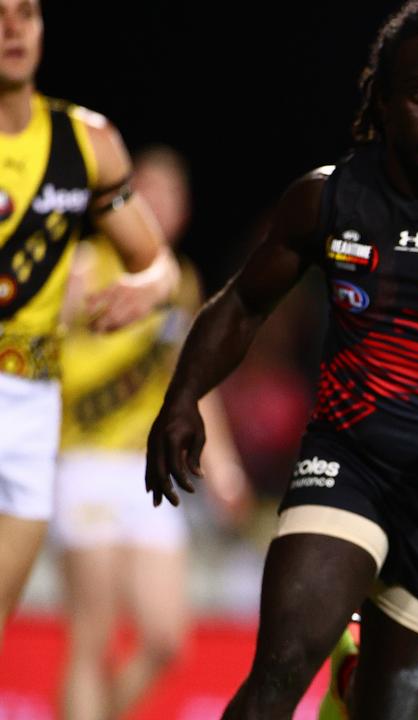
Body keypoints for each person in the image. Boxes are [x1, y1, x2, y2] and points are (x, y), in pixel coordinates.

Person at [144, 1, 418, 717]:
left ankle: (351, 690)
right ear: (382, 101)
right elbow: (241, 304)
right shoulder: (329, 198)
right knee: (280, 668)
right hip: (347, 463)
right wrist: (181, 399)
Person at [0, 0, 178, 649]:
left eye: (26, 13)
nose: (13, 29)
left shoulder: (86, 140)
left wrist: (144, 288)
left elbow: (155, 260)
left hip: (31, 408)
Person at [52, 146, 250, 720]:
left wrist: (225, 467)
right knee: (92, 637)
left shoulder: (180, 282)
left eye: (170, 196)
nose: (158, 206)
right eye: (147, 192)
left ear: (184, 212)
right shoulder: (83, 264)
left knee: (165, 638)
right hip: (82, 462)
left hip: (146, 475)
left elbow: (193, 386)